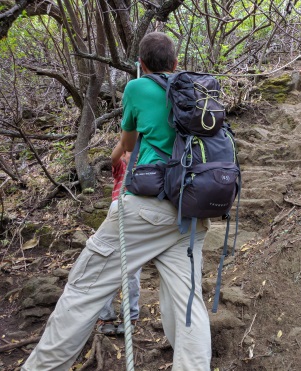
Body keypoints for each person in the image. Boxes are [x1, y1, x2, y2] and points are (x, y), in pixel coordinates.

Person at [22, 32, 211, 370]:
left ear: (141, 65)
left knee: (83, 289)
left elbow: (127, 140)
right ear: (176, 63)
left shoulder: (138, 88)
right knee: (188, 304)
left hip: (147, 208)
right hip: (191, 208)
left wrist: (114, 158)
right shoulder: (195, 89)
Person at [95, 144, 141, 336]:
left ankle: (130, 316)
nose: (135, 156)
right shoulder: (121, 168)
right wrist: (126, 140)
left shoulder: (147, 170)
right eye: (131, 153)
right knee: (106, 270)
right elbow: (113, 158)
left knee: (132, 275)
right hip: (116, 221)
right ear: (124, 155)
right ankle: (105, 316)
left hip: (135, 225)